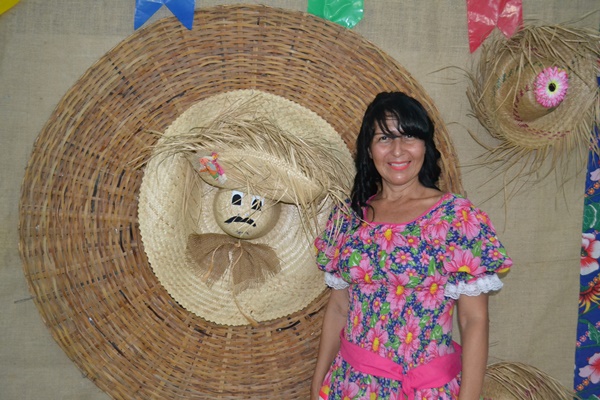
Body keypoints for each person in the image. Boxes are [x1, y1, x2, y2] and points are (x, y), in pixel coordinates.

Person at [311, 92, 512, 400]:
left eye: (409, 136)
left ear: (425, 145)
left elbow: (473, 320)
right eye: (384, 138)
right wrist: (318, 384)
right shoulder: (349, 218)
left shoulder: (457, 219)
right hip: (350, 386)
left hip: (425, 389)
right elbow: (339, 308)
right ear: (368, 149)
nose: (397, 150)